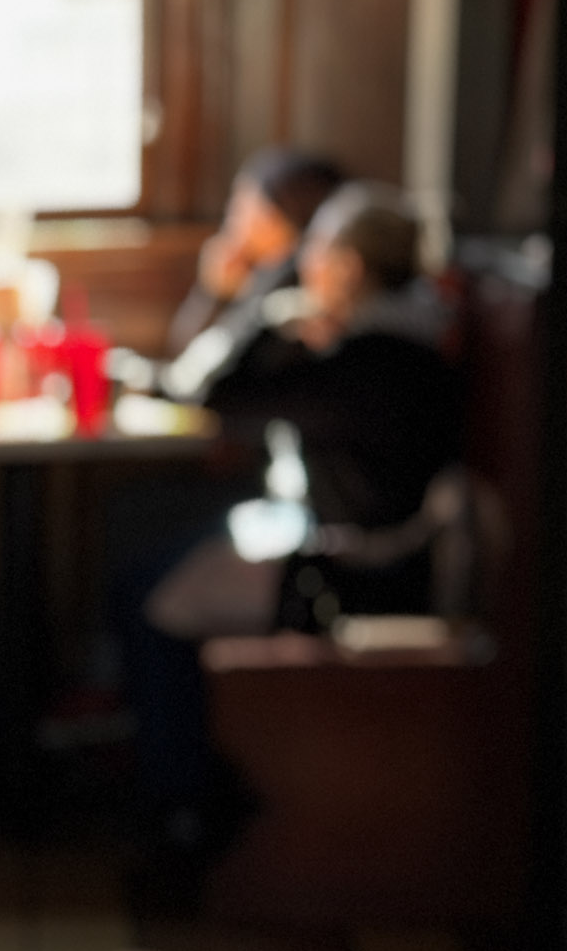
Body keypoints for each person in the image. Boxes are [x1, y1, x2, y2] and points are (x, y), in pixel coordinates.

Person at [117, 181, 465, 850]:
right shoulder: (400, 343)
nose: (306, 264)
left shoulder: (371, 363)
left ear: (348, 270)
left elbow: (224, 398)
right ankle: (186, 792)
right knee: (154, 563)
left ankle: (184, 810)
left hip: (353, 575)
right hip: (346, 551)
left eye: (318, 253)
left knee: (149, 599)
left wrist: (273, 319)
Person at [160, 146, 345, 402]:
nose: (232, 214)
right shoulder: (259, 276)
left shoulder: (293, 283)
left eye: (244, 203)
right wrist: (212, 293)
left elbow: (209, 380)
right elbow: (185, 362)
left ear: (277, 215)